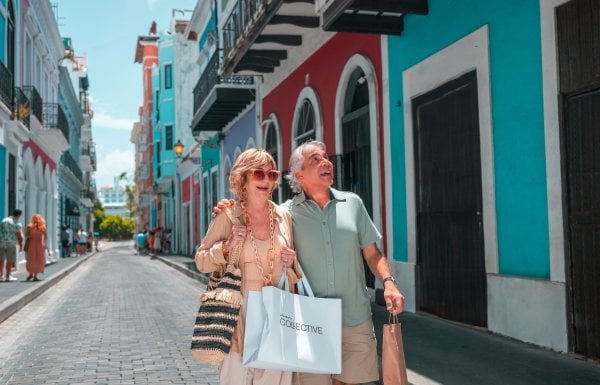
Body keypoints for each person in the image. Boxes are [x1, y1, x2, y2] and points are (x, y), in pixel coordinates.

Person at [215, 141, 405, 385]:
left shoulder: (353, 204)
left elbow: (372, 253)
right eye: (316, 159)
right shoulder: (284, 214)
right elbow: (254, 214)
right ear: (298, 175)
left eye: (326, 158)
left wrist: (389, 283)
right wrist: (228, 210)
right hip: (309, 323)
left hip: (355, 318)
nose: (326, 162)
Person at [195, 148, 299, 385]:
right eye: (258, 173)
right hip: (238, 314)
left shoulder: (283, 216)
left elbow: (291, 273)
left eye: (272, 175)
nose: (266, 180)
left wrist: (292, 263)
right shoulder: (228, 216)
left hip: (276, 312)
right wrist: (226, 247)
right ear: (243, 178)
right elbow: (201, 260)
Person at [0, 209, 23, 282]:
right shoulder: (17, 223)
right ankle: (8, 276)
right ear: (19, 215)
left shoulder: (4, 220)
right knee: (10, 260)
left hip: (2, 242)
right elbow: (19, 236)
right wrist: (21, 245)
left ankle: (0, 276)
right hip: (11, 243)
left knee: (1, 259)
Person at [24, 214, 47, 281]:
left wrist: (32, 236)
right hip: (40, 244)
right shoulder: (43, 227)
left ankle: (30, 274)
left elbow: (26, 235)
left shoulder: (29, 226)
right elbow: (45, 237)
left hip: (31, 244)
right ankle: (35, 276)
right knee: (39, 259)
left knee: (31, 258)